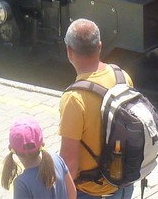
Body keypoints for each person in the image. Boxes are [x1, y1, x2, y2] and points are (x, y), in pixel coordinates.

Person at [58, 18, 135, 199]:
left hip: (91, 191)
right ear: (100, 46)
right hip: (123, 185)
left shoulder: (74, 99)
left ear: (69, 51)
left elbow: (69, 161)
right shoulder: (122, 77)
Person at [1, 116, 76, 199]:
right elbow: (72, 193)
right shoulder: (56, 158)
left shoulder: (22, 183)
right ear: (42, 144)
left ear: (11, 149)